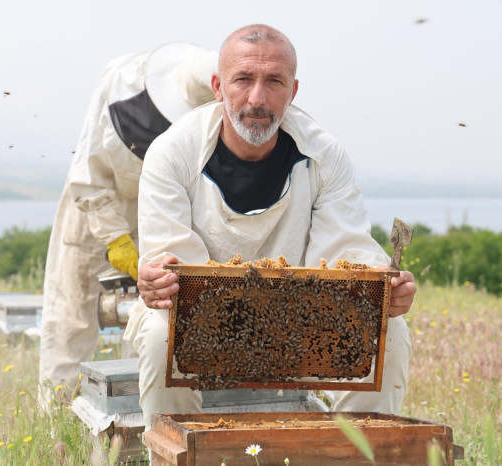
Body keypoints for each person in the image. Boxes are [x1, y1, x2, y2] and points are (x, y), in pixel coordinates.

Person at [123, 24, 416, 429]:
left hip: (298, 314)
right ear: (218, 87)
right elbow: (171, 265)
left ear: (293, 91)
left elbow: (348, 250)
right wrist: (156, 279)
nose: (257, 98)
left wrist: (385, 284)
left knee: (391, 334)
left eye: (274, 81)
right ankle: (174, 451)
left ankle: (354, 454)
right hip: (200, 316)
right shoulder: (172, 153)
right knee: (160, 335)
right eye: (243, 79)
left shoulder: (324, 153)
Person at [38, 42, 218, 398]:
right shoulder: (122, 79)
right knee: (70, 315)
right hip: (94, 200)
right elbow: (88, 173)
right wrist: (116, 238)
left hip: (160, 207)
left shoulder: (211, 116)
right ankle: (56, 415)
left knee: (153, 312)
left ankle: (133, 410)